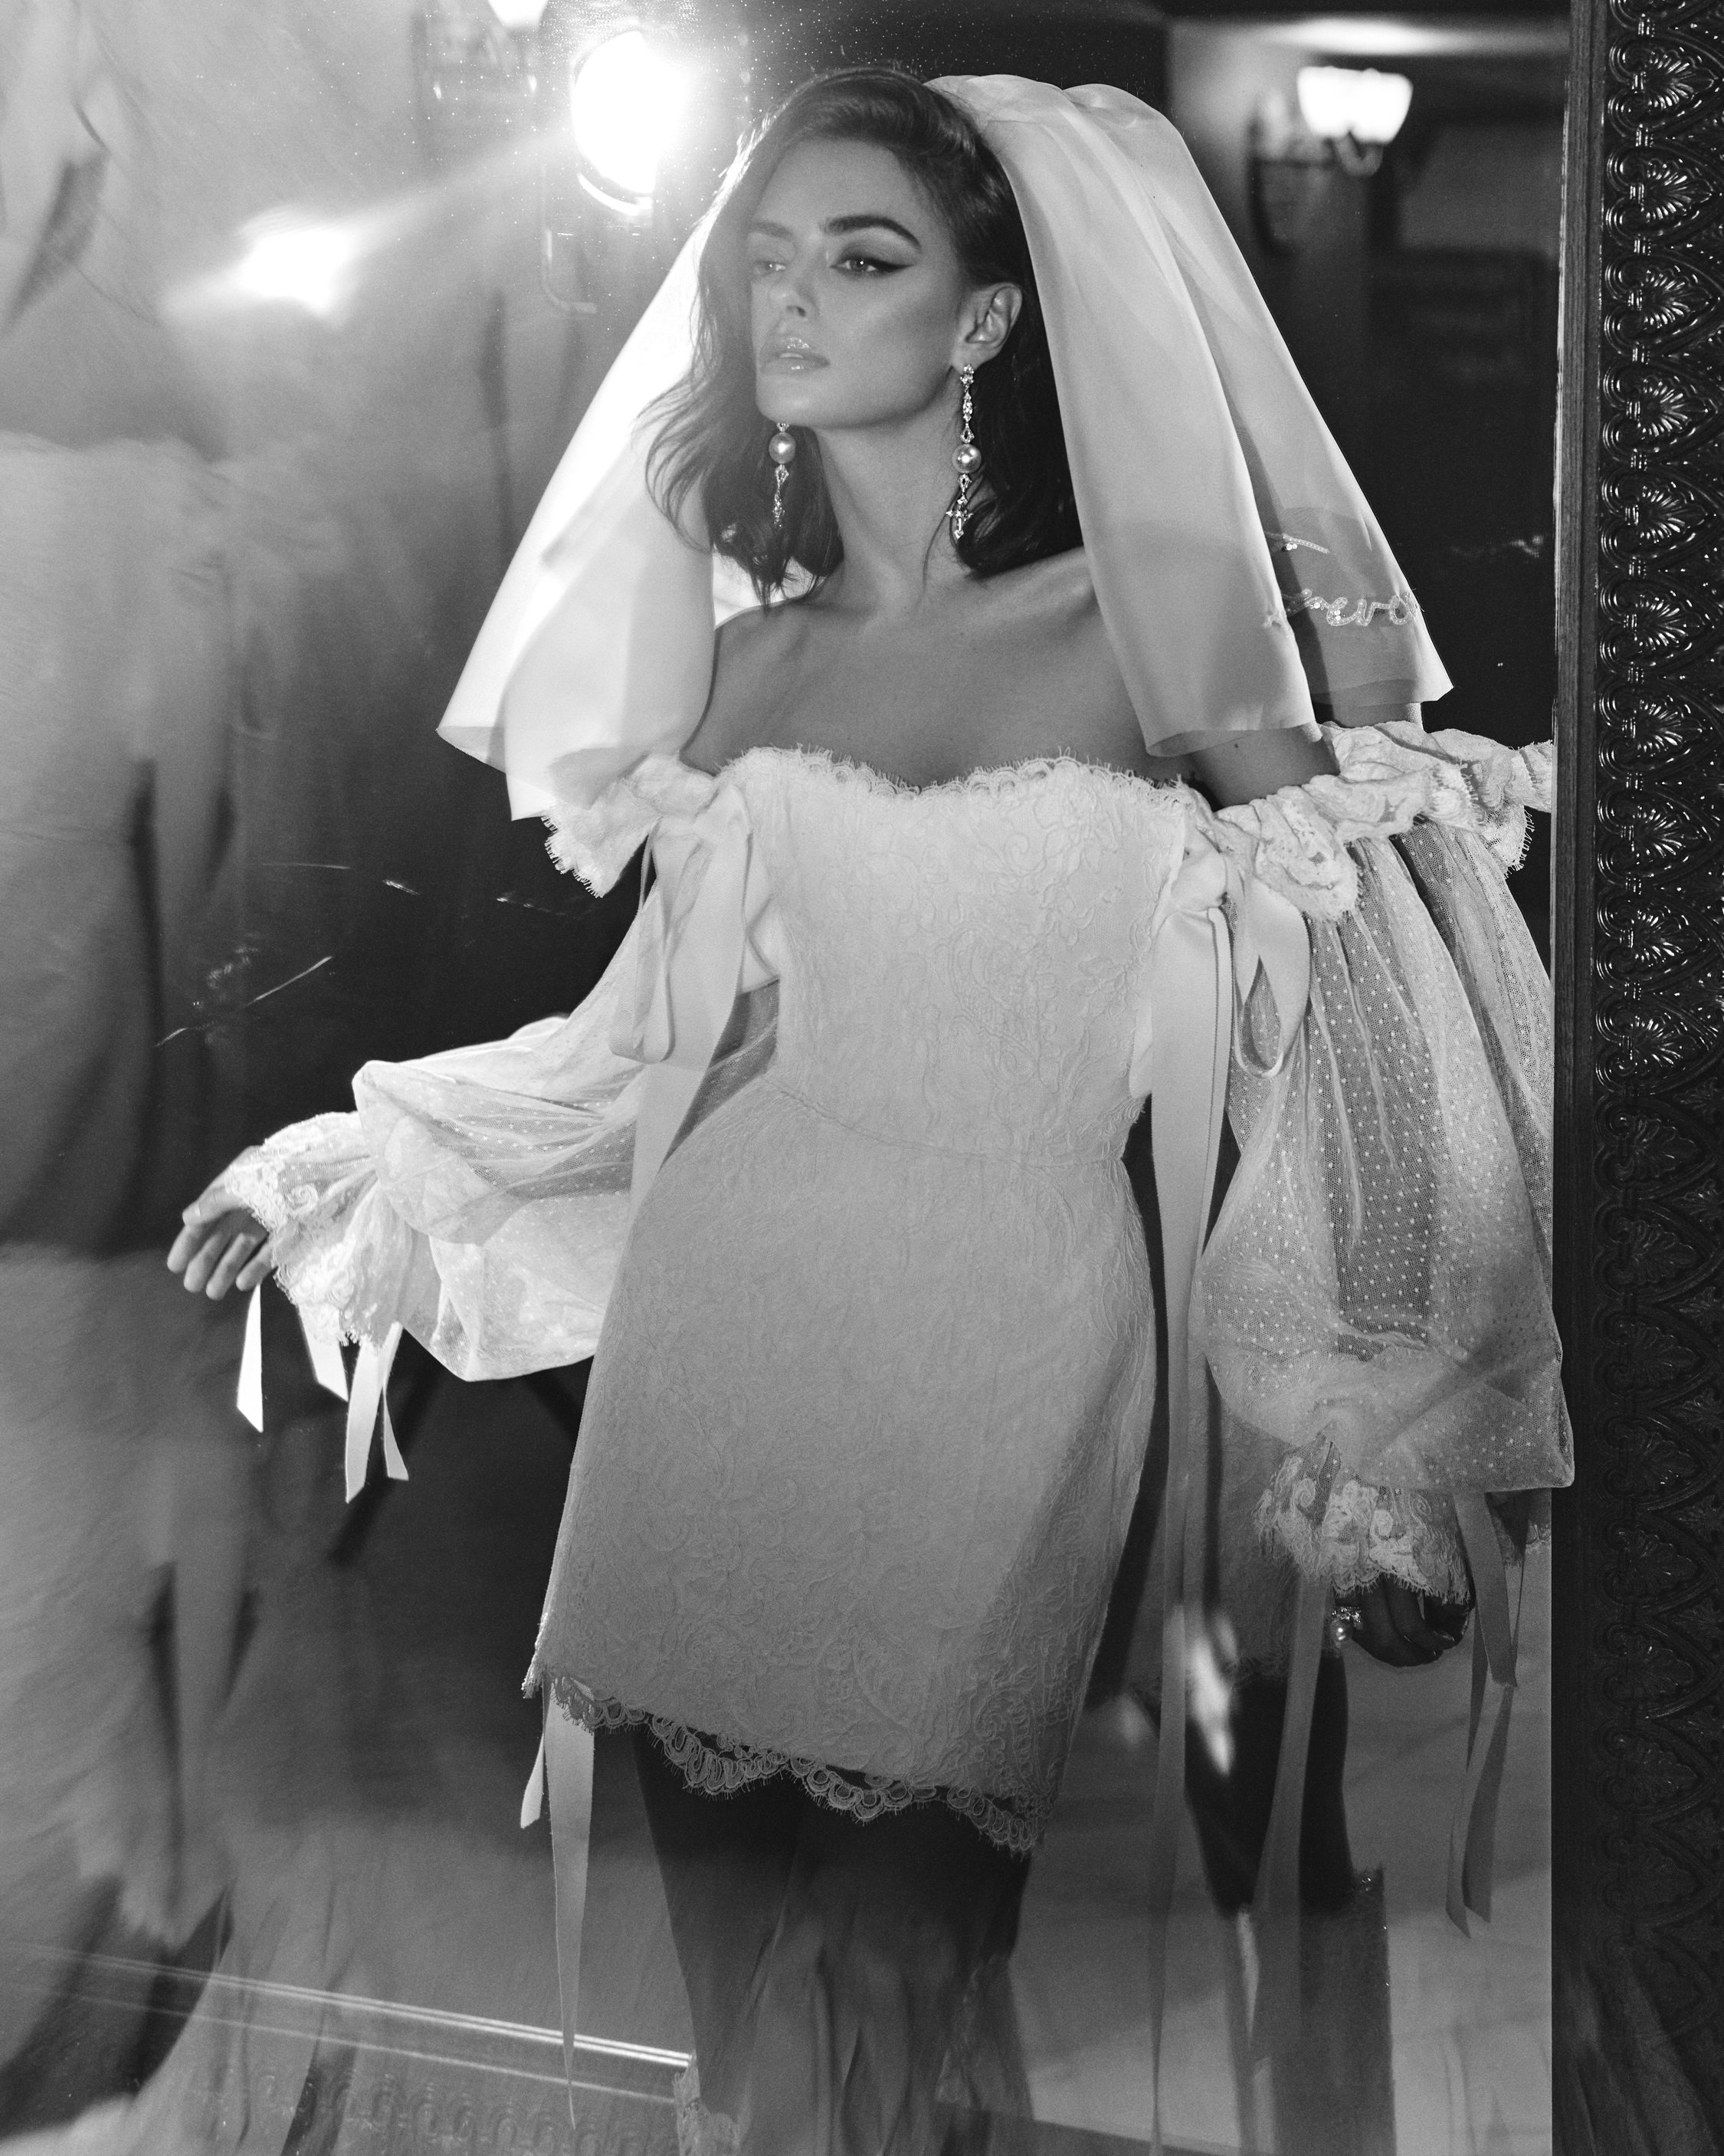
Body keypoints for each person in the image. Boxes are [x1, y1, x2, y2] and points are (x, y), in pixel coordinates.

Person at [169, 68, 1569, 2156]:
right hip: (719, 1346)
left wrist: (1379, 1425)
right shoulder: (745, 673)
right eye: (764, 259)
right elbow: (644, 1049)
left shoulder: (1145, 616)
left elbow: (1358, 983)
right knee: (745, 2009)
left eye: (861, 255)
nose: (790, 302)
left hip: (1008, 1341)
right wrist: (357, 1157)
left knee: (901, 1964)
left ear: (986, 318)